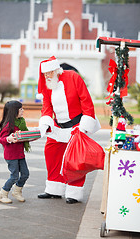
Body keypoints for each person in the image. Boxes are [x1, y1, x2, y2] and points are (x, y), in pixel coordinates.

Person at [37, 56, 101, 204]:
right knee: (51, 153)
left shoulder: (73, 77)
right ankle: (54, 189)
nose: (46, 76)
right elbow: (46, 106)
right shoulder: (47, 84)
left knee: (76, 159)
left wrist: (83, 126)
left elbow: (86, 100)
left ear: (56, 70)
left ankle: (74, 191)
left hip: (77, 124)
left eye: (49, 73)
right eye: (44, 74)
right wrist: (46, 122)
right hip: (58, 126)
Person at [0, 100, 30, 204]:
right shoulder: (8, 125)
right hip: (11, 155)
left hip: (20, 154)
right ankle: (2, 194)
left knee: (25, 174)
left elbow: (25, 134)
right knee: (14, 176)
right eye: (20, 109)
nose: (23, 110)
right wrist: (9, 138)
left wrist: (33, 136)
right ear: (13, 111)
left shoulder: (21, 122)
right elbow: (2, 139)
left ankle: (17, 191)